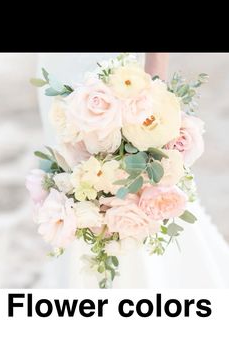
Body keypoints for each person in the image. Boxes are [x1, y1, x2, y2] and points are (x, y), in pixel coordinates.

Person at [35, 53, 229, 288]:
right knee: (71, 182)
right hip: (57, 64)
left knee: (131, 186)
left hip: (115, 72)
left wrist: (156, 89)